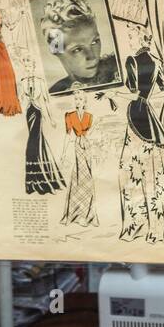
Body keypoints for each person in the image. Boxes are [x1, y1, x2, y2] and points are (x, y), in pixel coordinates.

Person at [118, 24, 164, 243]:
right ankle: (159, 227)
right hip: (149, 115)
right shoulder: (158, 62)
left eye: (131, 36)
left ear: (140, 38)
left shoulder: (131, 61)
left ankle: (140, 226)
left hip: (136, 113)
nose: (130, 39)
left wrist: (110, 96)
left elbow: (131, 91)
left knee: (132, 171)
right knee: (154, 171)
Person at [39, 0, 120, 94]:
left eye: (95, 42)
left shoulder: (119, 69)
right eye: (77, 49)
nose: (92, 57)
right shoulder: (53, 93)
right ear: (56, 49)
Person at [61, 86, 99, 227]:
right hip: (77, 145)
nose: (78, 101)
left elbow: (92, 134)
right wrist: (64, 153)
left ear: (85, 101)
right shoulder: (69, 115)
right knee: (77, 178)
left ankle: (89, 215)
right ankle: (76, 214)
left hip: (87, 146)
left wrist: (94, 150)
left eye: (80, 99)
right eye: (76, 99)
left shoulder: (89, 116)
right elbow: (67, 136)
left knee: (88, 179)